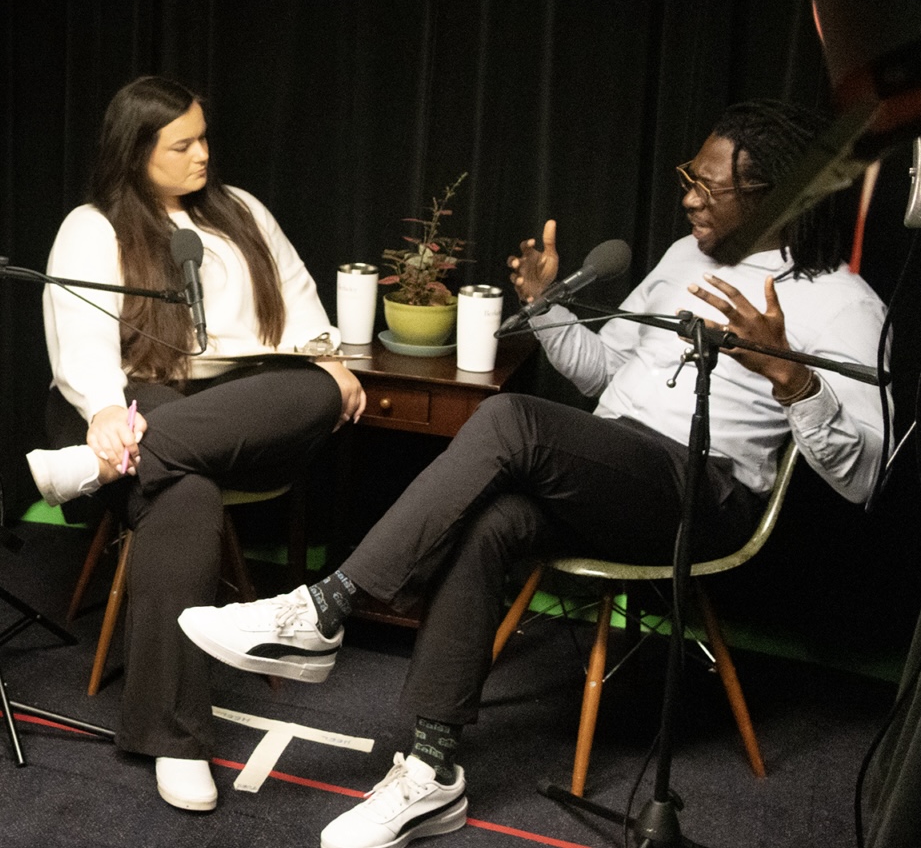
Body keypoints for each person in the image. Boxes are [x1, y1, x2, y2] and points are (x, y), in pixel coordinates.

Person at [178, 100, 890, 847]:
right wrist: (545, 305)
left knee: (511, 418)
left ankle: (326, 606)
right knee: (493, 521)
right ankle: (430, 772)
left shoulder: (843, 303)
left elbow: (864, 476)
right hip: (614, 466)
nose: (686, 196)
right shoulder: (683, 258)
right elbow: (601, 370)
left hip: (708, 493)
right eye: (689, 177)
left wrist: (790, 378)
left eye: (707, 186)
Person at [25, 76, 366, 812]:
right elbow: (80, 342)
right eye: (181, 144)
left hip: (239, 403)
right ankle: (174, 739)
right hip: (131, 396)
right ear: (135, 151)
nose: (202, 154)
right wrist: (105, 415)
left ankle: (88, 472)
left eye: (204, 137)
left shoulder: (242, 211)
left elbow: (301, 304)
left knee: (316, 388)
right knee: (186, 491)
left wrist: (328, 360)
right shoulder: (94, 225)